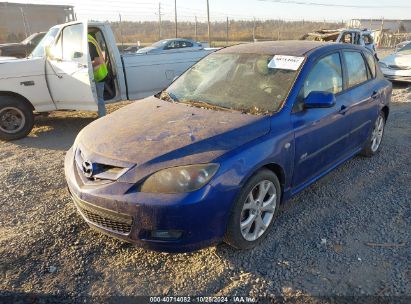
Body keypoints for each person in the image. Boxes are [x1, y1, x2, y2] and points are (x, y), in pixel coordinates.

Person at [88, 34, 108, 117]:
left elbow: (98, 61)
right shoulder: (89, 38)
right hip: (98, 74)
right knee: (98, 98)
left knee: (99, 99)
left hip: (99, 75)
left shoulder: (89, 42)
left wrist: (87, 65)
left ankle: (102, 117)